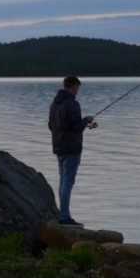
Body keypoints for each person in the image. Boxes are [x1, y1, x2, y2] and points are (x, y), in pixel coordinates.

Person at [48, 75, 95, 227]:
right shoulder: (72, 104)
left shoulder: (54, 104)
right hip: (72, 149)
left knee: (63, 181)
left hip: (58, 147)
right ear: (73, 87)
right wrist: (86, 120)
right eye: (77, 88)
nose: (77, 91)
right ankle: (64, 217)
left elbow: (51, 126)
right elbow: (76, 127)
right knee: (67, 182)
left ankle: (63, 213)